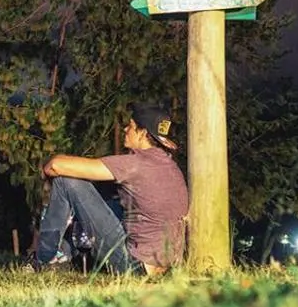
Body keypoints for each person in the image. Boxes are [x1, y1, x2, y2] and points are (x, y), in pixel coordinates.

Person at [32, 101, 189, 275]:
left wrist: (46, 169)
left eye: (130, 126)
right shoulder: (169, 166)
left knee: (66, 182)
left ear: (142, 133)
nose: (125, 130)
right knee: (106, 194)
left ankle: (43, 260)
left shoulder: (136, 164)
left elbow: (55, 166)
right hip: (164, 266)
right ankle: (64, 254)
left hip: (135, 265)